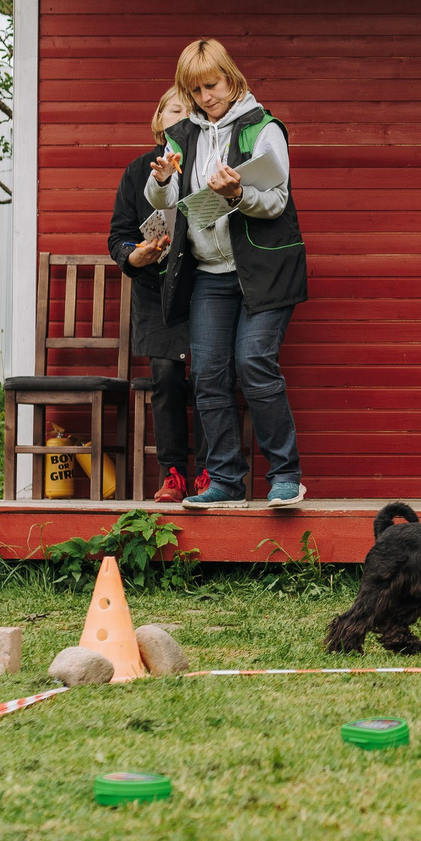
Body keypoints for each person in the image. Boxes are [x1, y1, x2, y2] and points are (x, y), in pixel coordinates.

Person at [146, 38, 309, 508]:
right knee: (208, 374)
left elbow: (276, 201)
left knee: (254, 363)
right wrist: (161, 181)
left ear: (231, 78)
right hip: (210, 274)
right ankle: (224, 482)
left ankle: (286, 476)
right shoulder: (182, 135)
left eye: (212, 85)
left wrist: (237, 195)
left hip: (263, 270)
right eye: (196, 90)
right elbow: (164, 202)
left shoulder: (263, 128)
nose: (206, 97)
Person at [110, 86, 201, 501]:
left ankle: (211, 473)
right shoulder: (136, 171)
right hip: (154, 289)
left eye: (190, 110)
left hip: (202, 285)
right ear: (159, 118)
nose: (182, 116)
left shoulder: (205, 165)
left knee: (209, 374)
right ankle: (174, 474)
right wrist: (135, 256)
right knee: (165, 376)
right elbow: (119, 236)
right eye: (174, 109)